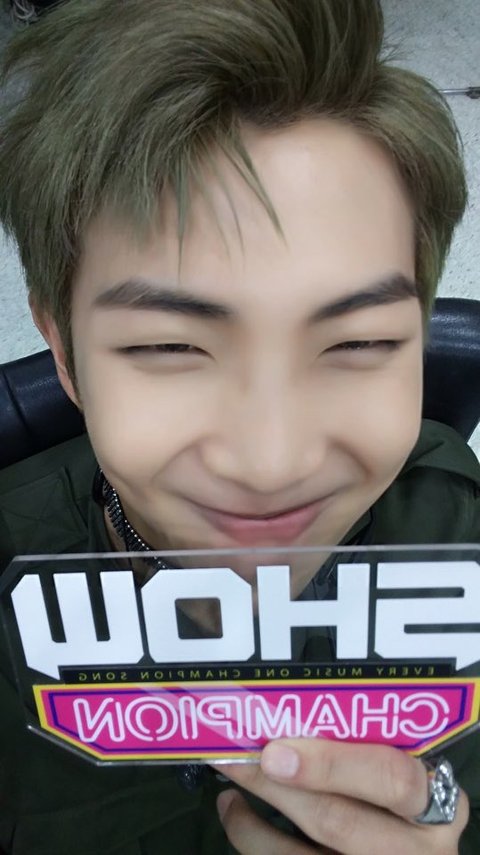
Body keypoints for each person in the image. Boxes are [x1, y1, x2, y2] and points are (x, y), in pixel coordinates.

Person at [0, 0, 479, 852]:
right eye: (169, 345)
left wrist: (441, 811)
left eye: (360, 342)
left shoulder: (459, 531)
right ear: (64, 352)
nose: (271, 463)